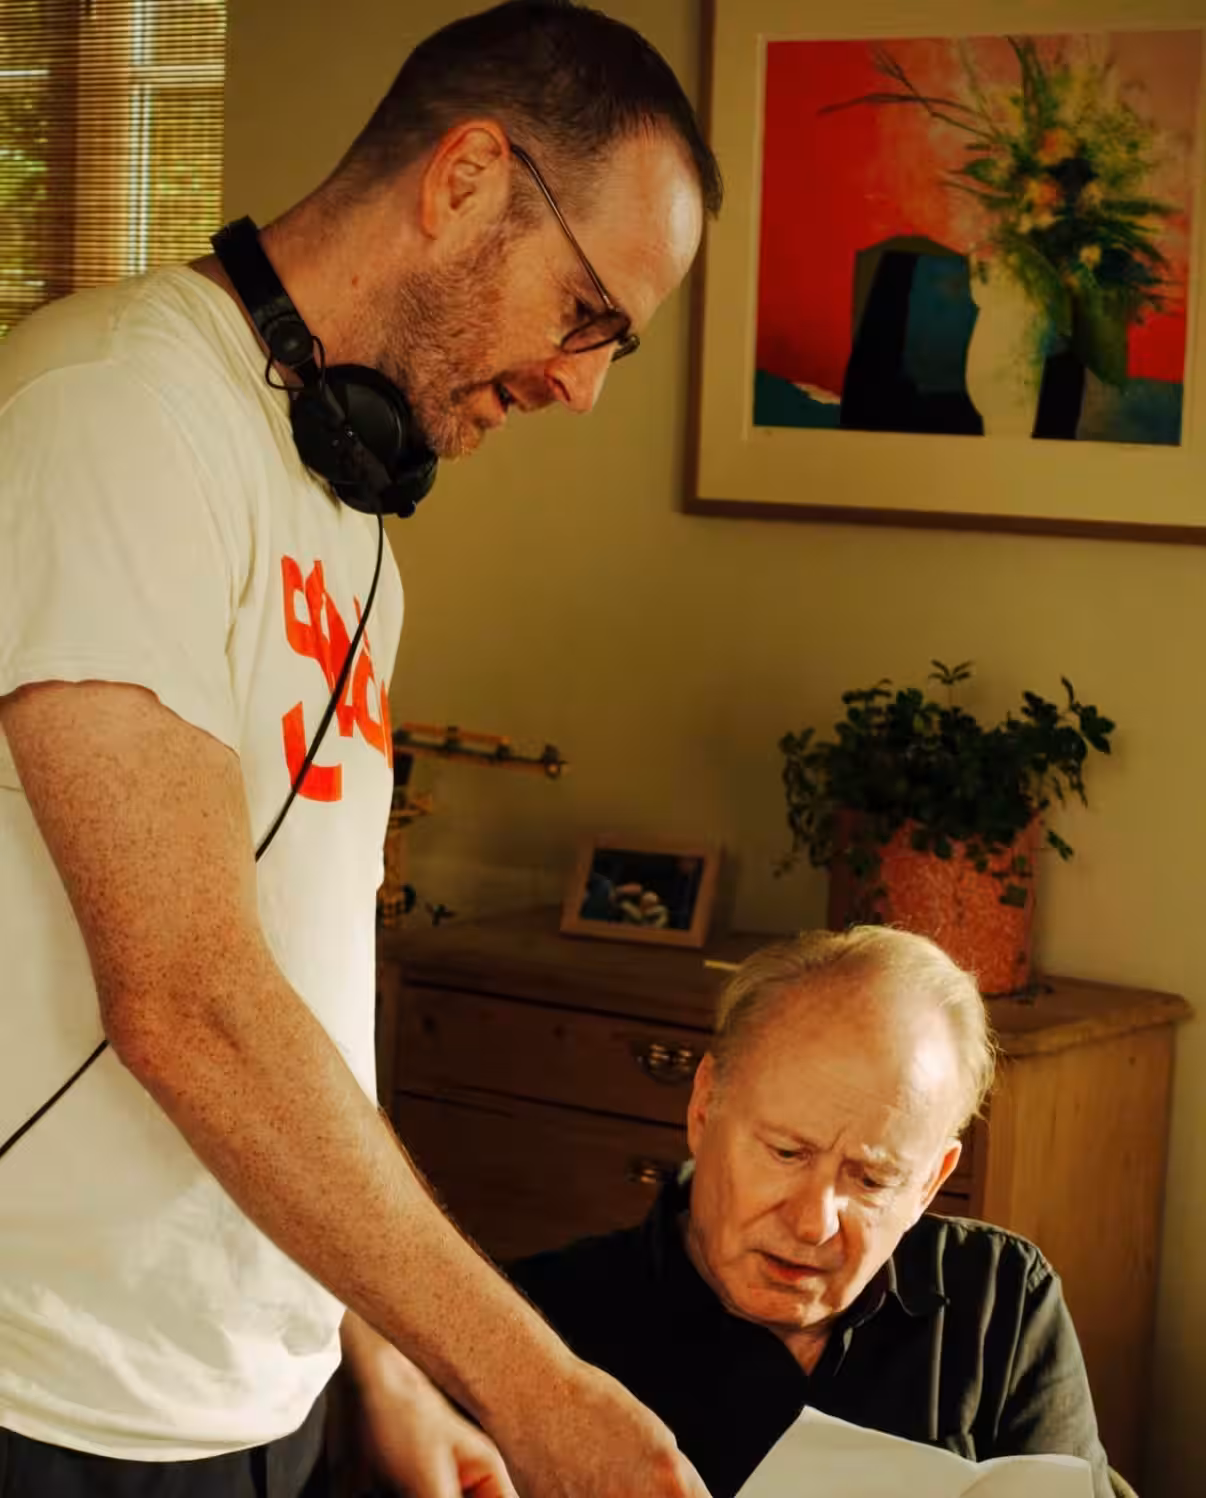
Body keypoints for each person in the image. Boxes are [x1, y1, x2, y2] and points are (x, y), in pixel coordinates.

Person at [0, 3, 722, 1495]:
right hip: (47, 1388)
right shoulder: (114, 413)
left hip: (256, 1393)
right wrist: (529, 1383)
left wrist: (371, 1353)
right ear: (465, 179)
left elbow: (295, 988)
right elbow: (189, 997)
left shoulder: (352, 519)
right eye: (587, 314)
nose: (583, 386)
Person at [509, 927, 1129, 1498]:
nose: (813, 1223)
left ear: (930, 1184)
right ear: (704, 1109)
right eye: (786, 1152)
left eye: (872, 1178)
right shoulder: (536, 1323)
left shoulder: (1004, 1299)